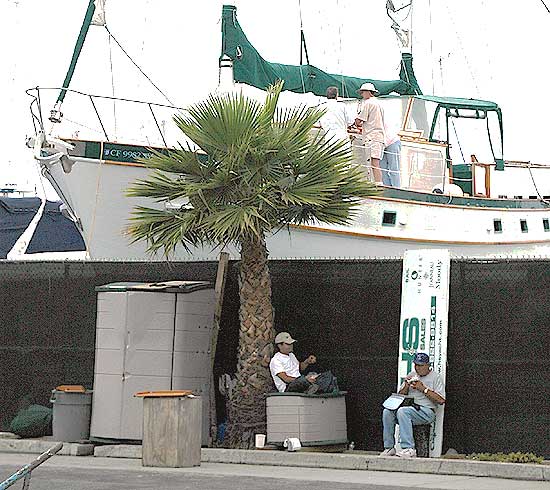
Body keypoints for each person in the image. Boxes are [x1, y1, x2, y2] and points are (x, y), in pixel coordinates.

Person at [381, 353, 446, 458]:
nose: (418, 368)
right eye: (416, 365)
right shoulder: (412, 374)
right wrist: (406, 385)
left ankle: (409, 448)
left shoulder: (435, 377)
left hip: (426, 411)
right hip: (410, 408)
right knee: (387, 411)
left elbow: (441, 400)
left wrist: (423, 389)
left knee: (403, 412)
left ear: (427, 365)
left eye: (420, 365)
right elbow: (399, 396)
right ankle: (389, 447)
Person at [355, 82, 386, 183]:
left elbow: (359, 120)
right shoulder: (379, 104)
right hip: (379, 136)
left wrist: (355, 122)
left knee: (374, 163)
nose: (362, 95)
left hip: (372, 137)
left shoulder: (368, 103)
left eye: (363, 92)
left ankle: (378, 185)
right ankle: (378, 183)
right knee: (375, 163)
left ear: (368, 92)